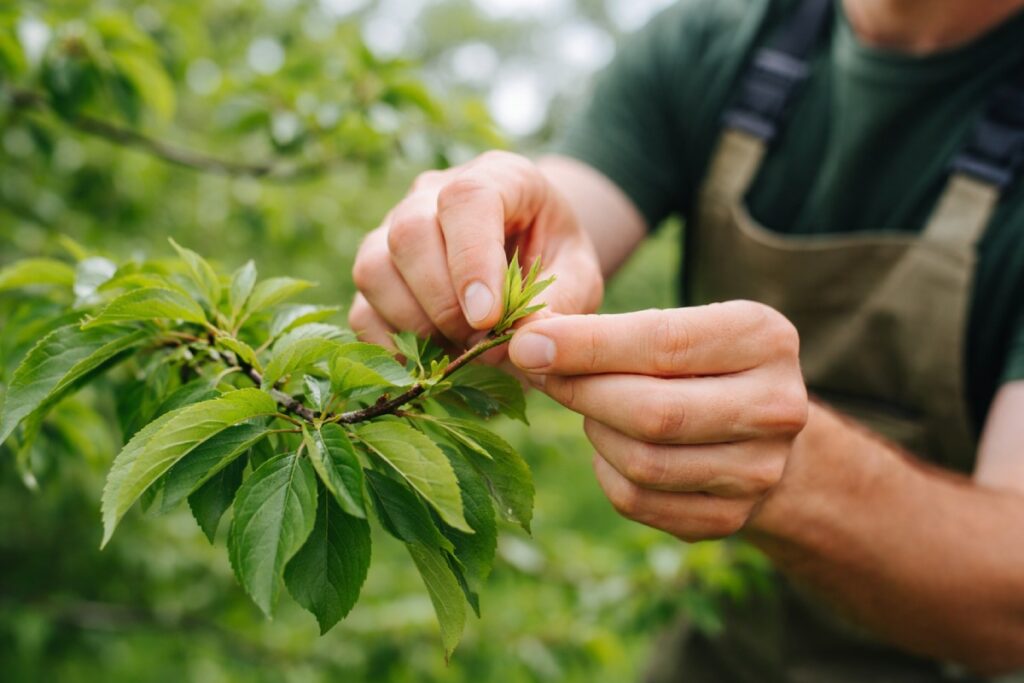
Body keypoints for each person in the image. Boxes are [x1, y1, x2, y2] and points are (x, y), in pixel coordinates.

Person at [348, 0, 1024, 678]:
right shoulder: (713, 40)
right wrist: (463, 251)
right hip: (714, 649)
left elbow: (1013, 606)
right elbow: (557, 223)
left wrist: (795, 475)